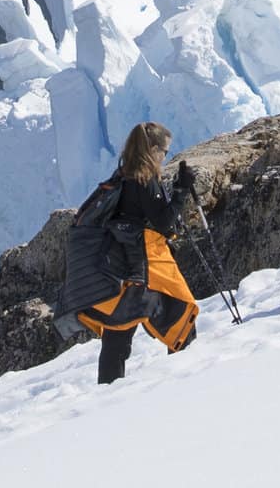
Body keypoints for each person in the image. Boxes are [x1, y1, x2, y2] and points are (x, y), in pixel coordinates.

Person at [58, 123, 200, 384]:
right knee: (181, 313)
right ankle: (186, 381)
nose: (165, 157)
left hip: (121, 267)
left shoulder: (123, 175)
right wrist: (180, 192)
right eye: (165, 152)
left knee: (118, 331)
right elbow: (163, 222)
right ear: (154, 150)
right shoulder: (144, 179)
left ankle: (107, 392)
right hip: (145, 264)